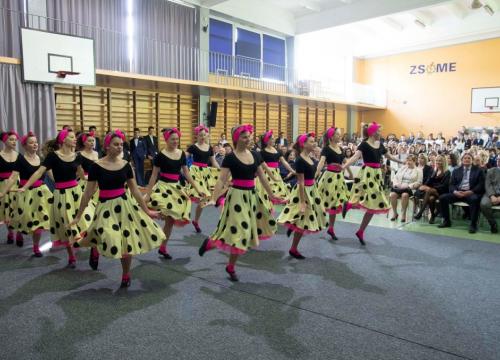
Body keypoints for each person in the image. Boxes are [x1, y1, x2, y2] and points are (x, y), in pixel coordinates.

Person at [71, 130, 165, 287]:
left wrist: (147, 211)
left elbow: (135, 190)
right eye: (116, 144)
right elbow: (87, 193)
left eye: (121, 144)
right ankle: (95, 246)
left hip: (124, 206)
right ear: (107, 146)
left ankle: (126, 274)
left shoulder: (126, 165)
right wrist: (79, 215)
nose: (119, 147)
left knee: (126, 242)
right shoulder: (97, 166)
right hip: (105, 207)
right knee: (109, 236)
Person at [198, 124, 279, 281]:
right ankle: (213, 244)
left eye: (249, 136)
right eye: (244, 137)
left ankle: (229, 264)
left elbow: (262, 177)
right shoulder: (230, 157)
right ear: (236, 139)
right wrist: (214, 198)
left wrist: (272, 195)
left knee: (243, 233)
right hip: (236, 197)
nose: (248, 139)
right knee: (241, 231)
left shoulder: (255, 155)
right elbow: (221, 179)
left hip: (252, 197)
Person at [20, 128, 94, 268]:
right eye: (71, 137)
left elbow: (82, 175)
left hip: (76, 193)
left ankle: (92, 248)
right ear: (63, 140)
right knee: (65, 225)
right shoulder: (53, 156)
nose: (75, 139)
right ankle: (71, 256)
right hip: (61, 196)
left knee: (87, 221)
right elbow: (39, 172)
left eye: (74, 137)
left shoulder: (77, 157)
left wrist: (94, 179)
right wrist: (25, 186)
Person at [145, 128, 205, 260]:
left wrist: (197, 188)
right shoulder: (160, 156)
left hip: (176, 188)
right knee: (158, 214)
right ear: (166, 140)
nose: (175, 141)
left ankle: (163, 247)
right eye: (173, 139)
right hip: (163, 187)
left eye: (177, 139)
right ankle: (152, 237)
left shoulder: (181, 153)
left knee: (171, 220)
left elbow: (186, 172)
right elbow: (154, 175)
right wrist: (147, 194)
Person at [341, 122, 404, 245]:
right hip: (367, 174)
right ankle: (349, 205)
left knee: (373, 205)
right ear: (372, 132)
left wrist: (400, 161)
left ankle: (360, 230)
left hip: (376, 175)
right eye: (379, 131)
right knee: (371, 201)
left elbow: (389, 156)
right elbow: (355, 157)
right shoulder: (364, 144)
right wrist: (344, 166)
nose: (380, 133)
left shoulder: (380, 144)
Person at [0, 132, 52, 256]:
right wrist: (3, 191)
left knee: (39, 221)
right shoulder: (20, 159)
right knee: (24, 218)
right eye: (31, 142)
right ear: (24, 145)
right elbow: (13, 177)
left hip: (41, 193)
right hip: (25, 194)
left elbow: (50, 174)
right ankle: (17, 232)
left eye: (36, 142)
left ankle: (36, 247)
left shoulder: (42, 158)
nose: (35, 144)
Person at [277, 132, 326, 259]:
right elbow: (301, 182)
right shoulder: (299, 161)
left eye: (314, 141)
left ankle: (293, 240)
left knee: (304, 220)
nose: (314, 143)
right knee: (303, 220)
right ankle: (293, 248)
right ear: (303, 144)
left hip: (311, 190)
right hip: (303, 192)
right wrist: (303, 202)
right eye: (311, 141)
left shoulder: (310, 158)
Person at [315, 127, 352, 240]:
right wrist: (315, 175)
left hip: (339, 178)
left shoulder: (340, 148)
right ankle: (316, 222)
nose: (339, 136)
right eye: (337, 134)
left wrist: (350, 173)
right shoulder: (326, 149)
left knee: (336, 204)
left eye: (339, 134)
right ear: (331, 137)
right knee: (328, 203)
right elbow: (321, 162)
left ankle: (331, 228)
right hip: (329, 178)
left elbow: (345, 162)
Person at [438, 152, 485, 233]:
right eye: (465, 158)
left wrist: (471, 191)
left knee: (475, 200)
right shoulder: (456, 171)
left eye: (469, 158)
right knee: (443, 198)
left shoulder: (478, 170)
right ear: (462, 160)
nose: (466, 159)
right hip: (458, 192)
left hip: (471, 192)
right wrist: (455, 192)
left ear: (472, 160)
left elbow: (481, 185)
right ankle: (447, 221)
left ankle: (473, 225)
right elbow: (451, 184)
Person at [185, 125, 218, 233]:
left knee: (203, 199)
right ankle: (183, 213)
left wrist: (221, 170)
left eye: (204, 135)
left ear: (207, 135)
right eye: (200, 135)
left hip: (205, 173)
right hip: (195, 172)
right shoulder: (193, 147)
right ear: (197, 136)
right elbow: (183, 157)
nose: (202, 137)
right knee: (195, 195)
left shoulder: (210, 148)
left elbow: (213, 162)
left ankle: (196, 221)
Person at [258, 130, 294, 206]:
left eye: (274, 138)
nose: (274, 140)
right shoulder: (262, 152)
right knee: (267, 191)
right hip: (266, 173)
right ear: (267, 141)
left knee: (278, 190)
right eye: (272, 139)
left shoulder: (278, 151)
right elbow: (260, 165)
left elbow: (284, 162)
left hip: (276, 173)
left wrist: (292, 170)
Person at [0, 131, 23, 246]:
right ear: (5, 141)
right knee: (6, 210)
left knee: (18, 209)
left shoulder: (19, 155)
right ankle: (10, 232)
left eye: (15, 139)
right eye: (11, 139)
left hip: (17, 184)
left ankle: (19, 232)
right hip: (3, 185)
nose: (14, 141)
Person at [414, 154, 451, 224]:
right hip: (432, 192)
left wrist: (430, 187)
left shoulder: (447, 172)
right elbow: (430, 182)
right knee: (431, 198)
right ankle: (433, 216)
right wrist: (425, 185)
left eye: (440, 161)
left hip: (442, 192)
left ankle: (420, 212)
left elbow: (444, 186)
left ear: (444, 162)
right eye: (437, 160)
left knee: (429, 190)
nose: (438, 162)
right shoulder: (435, 171)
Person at [389, 155, 422, 222]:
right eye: (407, 160)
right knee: (392, 195)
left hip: (409, 189)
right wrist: (396, 184)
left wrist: (408, 186)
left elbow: (419, 182)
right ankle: (395, 213)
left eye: (410, 160)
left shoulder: (419, 170)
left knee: (405, 195)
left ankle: (403, 214)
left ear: (414, 161)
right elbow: (395, 177)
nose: (408, 162)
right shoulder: (403, 168)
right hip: (399, 187)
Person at [480, 156, 500, 233]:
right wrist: (491, 195)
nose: (499, 161)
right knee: (484, 204)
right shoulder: (491, 170)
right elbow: (487, 184)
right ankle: (493, 223)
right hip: (491, 193)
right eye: (498, 160)